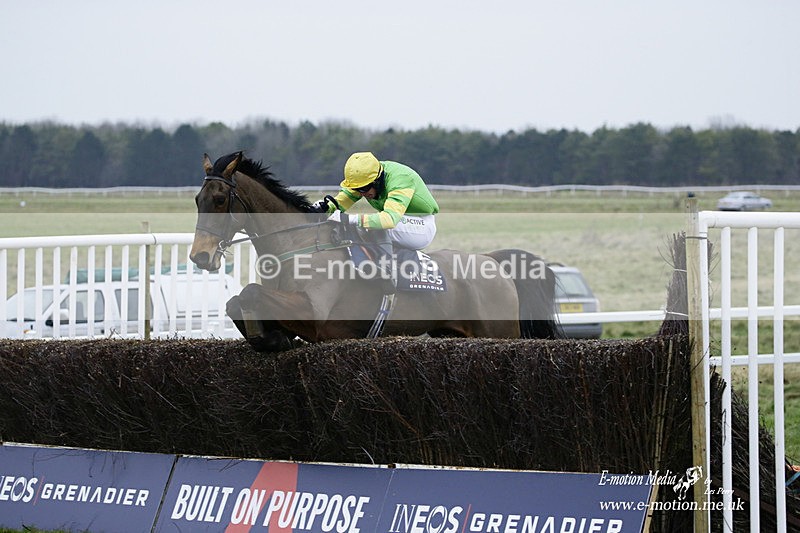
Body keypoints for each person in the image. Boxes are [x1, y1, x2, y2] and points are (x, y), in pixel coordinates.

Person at [311, 152, 439, 250]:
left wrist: (348, 219)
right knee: (359, 227)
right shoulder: (366, 175)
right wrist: (323, 208)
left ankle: (386, 273)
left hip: (420, 226)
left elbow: (389, 220)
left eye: (365, 188)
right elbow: (343, 200)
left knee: (372, 227)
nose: (362, 193)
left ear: (377, 180)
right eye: (357, 189)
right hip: (398, 222)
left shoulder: (401, 179)